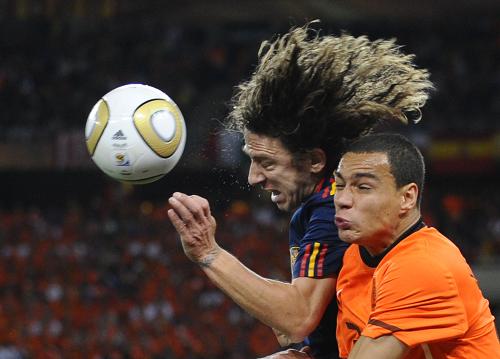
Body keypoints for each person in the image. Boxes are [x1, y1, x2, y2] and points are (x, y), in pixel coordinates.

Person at [167, 23, 433, 358]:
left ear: (313, 161)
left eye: (267, 163)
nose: (253, 178)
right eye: (252, 161)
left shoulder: (333, 210)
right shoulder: (313, 209)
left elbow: (296, 320)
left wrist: (210, 253)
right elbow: (289, 330)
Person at [333, 133, 500, 358]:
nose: (342, 199)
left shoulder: (423, 264)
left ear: (407, 198)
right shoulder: (356, 253)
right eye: (340, 185)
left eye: (363, 187)